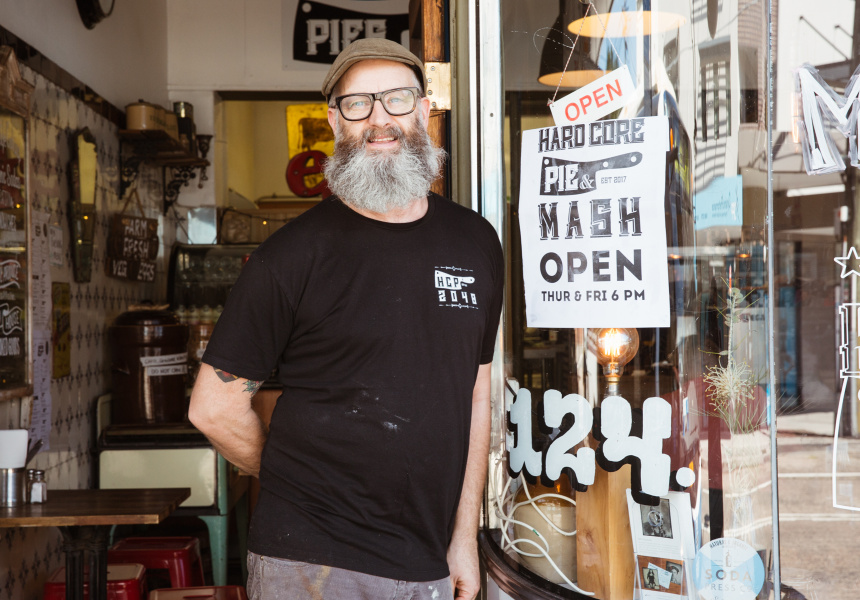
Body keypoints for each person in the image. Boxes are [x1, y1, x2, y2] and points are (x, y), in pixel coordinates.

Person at [189, 37, 504, 600]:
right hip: (310, 562)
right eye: (358, 104)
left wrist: (464, 536)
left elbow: (475, 394)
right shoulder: (289, 257)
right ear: (335, 121)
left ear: (424, 109)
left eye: (398, 99)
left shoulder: (476, 243)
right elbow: (213, 408)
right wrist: (302, 481)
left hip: (431, 557)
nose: (380, 120)